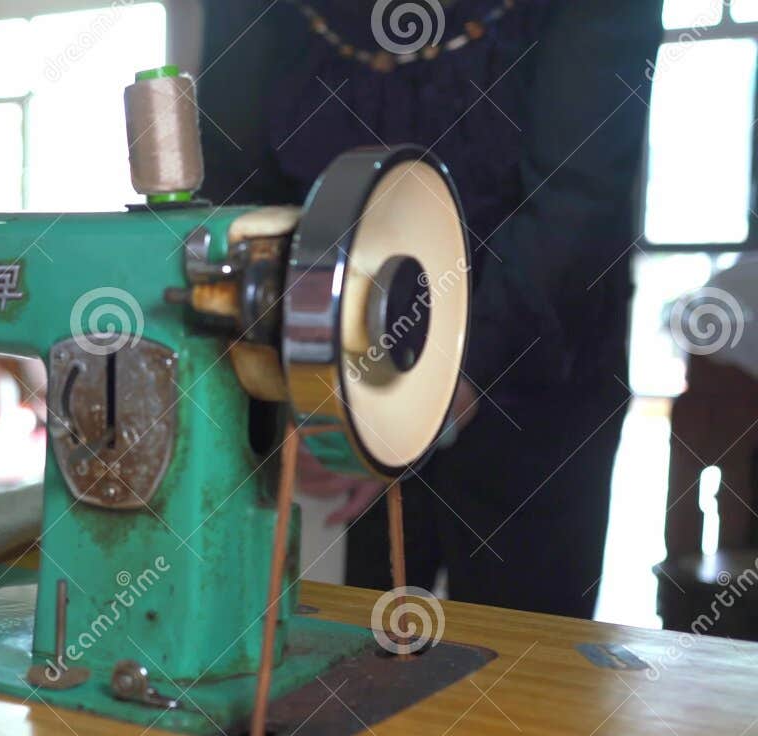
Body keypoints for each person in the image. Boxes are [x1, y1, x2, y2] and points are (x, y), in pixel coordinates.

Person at [196, 0, 662, 619]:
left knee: (522, 670)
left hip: (533, 380)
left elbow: (578, 198)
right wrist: (291, 377)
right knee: (370, 647)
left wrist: (422, 402)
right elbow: (237, 189)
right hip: (348, 361)